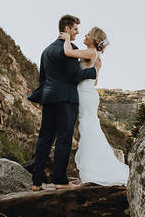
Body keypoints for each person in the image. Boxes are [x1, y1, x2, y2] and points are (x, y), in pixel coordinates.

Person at [28, 14, 97, 190]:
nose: (77, 33)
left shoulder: (46, 50)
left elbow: (42, 79)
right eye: (75, 29)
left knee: (44, 138)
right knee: (64, 138)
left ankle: (36, 182)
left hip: (49, 98)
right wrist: (92, 73)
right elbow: (74, 75)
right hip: (66, 99)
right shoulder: (69, 49)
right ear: (66, 29)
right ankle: (60, 180)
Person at [60, 26, 130, 186]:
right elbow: (95, 81)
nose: (84, 36)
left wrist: (66, 39)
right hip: (90, 94)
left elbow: (68, 52)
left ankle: (95, 169)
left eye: (88, 34)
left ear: (94, 40)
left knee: (87, 128)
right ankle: (101, 165)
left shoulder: (91, 52)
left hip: (85, 94)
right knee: (90, 128)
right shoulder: (97, 58)